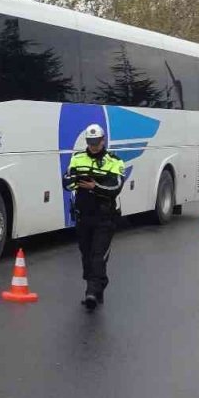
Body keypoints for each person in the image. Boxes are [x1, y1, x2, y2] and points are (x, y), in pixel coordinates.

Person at [62, 124, 124, 311]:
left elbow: (115, 187)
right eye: (90, 142)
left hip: (105, 218)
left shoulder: (114, 161)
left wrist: (94, 186)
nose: (93, 146)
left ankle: (92, 292)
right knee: (87, 256)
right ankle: (97, 289)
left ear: (103, 140)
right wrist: (77, 180)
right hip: (83, 217)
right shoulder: (77, 158)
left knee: (98, 256)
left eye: (96, 142)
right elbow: (67, 182)